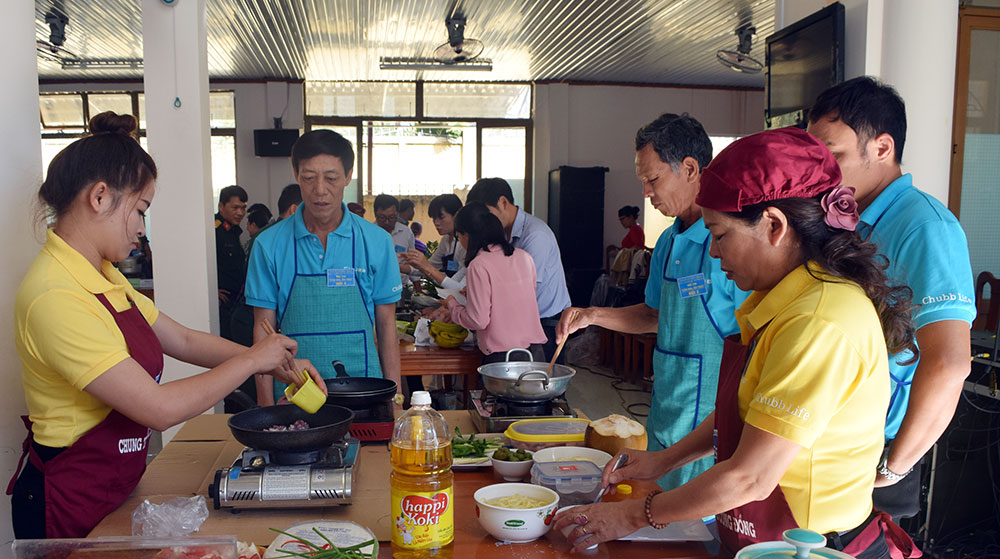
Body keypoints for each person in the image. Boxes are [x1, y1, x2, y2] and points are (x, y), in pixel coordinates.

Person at [553, 128, 922, 559]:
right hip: (763, 536)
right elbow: (746, 413)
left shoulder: (819, 320)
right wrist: (664, 460)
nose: (712, 252)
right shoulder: (785, 300)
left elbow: (751, 477)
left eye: (721, 234)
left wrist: (635, 514)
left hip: (808, 546)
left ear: (773, 226)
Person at [8, 112, 324, 539]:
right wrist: (251, 361)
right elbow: (157, 409)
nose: (141, 228)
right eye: (140, 210)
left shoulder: (103, 273)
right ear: (100, 197)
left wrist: (275, 361)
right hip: (68, 500)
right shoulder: (54, 295)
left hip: (115, 486)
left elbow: (184, 340)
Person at [807, 77, 975, 520]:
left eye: (833, 156)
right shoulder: (848, 221)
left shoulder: (925, 227)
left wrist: (893, 468)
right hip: (827, 440)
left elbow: (950, 363)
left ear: (882, 148)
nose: (821, 172)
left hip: (873, 454)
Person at [557, 113, 748, 491]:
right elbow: (654, 315)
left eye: (652, 179)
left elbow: (755, 342)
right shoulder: (669, 243)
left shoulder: (731, 244)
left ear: (690, 168)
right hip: (665, 408)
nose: (645, 191)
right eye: (642, 181)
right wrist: (592, 315)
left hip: (710, 423)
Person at [245, 130, 403, 406]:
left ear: (347, 176)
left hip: (365, 393)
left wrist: (397, 398)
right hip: (295, 394)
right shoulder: (268, 245)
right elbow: (263, 328)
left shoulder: (377, 241)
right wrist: (266, 406)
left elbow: (387, 324)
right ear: (296, 174)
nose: (320, 189)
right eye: (309, 177)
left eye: (330, 178)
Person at [466, 178, 571, 362]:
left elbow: (525, 291)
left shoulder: (535, 235)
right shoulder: (502, 235)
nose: (485, 221)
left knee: (543, 386)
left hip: (546, 323)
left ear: (503, 202)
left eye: (487, 214)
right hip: (524, 325)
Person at [444, 202, 547, 363]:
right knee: (534, 388)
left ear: (466, 235)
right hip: (534, 351)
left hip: (502, 357)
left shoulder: (478, 265)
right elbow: (521, 298)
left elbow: (478, 320)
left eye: (459, 236)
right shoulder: (524, 257)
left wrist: (452, 305)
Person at [401, 193, 467, 290]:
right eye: (434, 218)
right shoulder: (445, 240)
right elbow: (429, 266)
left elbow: (459, 286)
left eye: (441, 217)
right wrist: (401, 266)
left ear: (456, 215)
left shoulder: (465, 243)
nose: (436, 223)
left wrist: (425, 266)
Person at [215, 185, 248, 341]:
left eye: (243, 208)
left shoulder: (233, 232)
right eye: (235, 207)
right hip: (223, 304)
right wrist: (212, 291)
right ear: (221, 206)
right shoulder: (216, 231)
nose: (240, 213)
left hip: (235, 301)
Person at [373, 194, 417, 279]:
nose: (387, 222)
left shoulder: (406, 232)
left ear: (397, 214)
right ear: (375, 214)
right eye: (382, 217)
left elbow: (412, 261)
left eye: (391, 217)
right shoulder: (367, 233)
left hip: (401, 287)